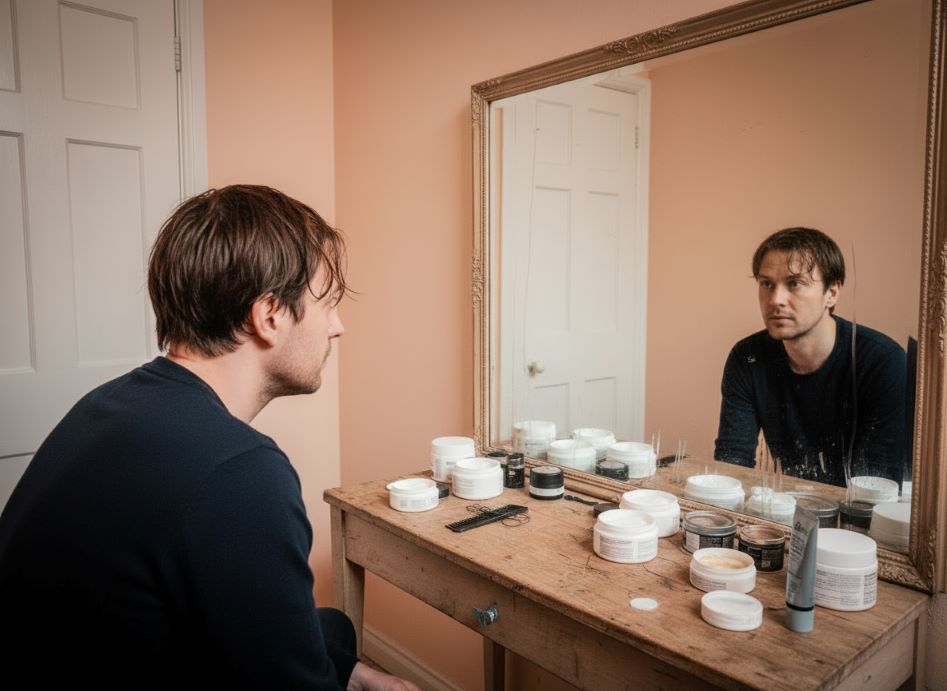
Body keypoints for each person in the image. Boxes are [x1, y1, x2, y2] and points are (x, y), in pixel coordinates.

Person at [0, 185, 420, 690]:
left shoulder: (107, 405)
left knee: (333, 629)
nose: (338, 327)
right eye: (326, 304)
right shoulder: (240, 472)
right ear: (269, 316)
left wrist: (354, 672)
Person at [714, 227, 906, 488]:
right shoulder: (747, 358)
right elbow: (731, 468)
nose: (776, 299)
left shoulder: (882, 362)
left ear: (832, 293)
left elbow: (875, 489)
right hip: (785, 512)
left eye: (795, 283)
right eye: (766, 284)